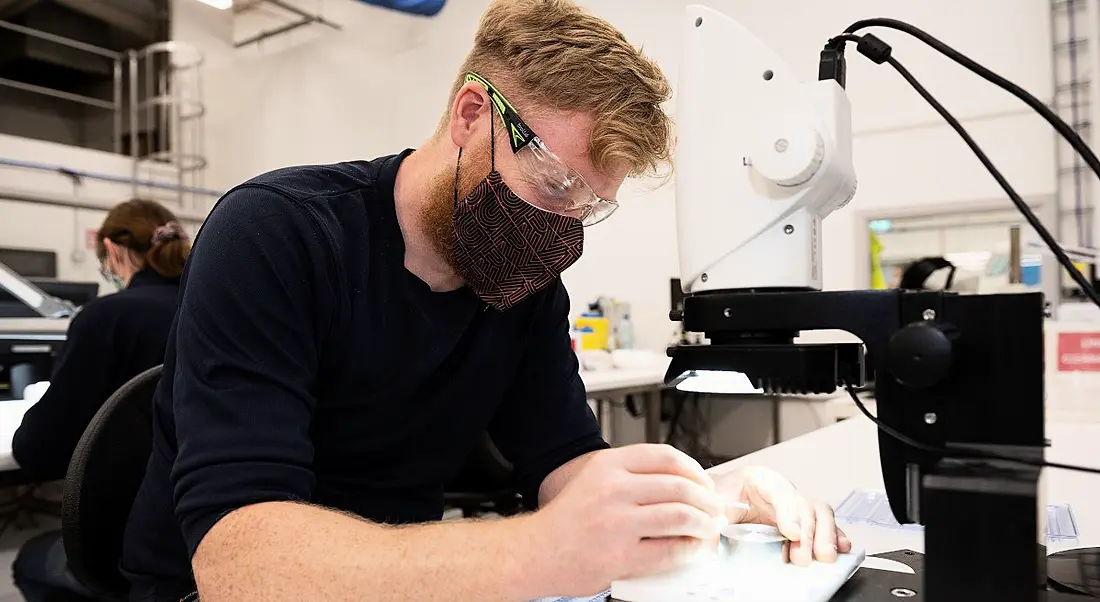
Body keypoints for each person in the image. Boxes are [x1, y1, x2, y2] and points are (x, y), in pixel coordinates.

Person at [121, 1, 851, 600]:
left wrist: (710, 500)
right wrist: (537, 550)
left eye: (590, 207)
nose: (562, 230)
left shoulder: (518, 280)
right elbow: (237, 566)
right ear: (472, 114)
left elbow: (566, 458)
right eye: (558, 185)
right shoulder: (279, 233)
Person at [11, 199, 191, 601]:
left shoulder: (106, 318)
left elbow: (39, 450)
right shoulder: (215, 305)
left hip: (135, 544)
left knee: (32, 560)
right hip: (204, 526)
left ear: (112, 250)